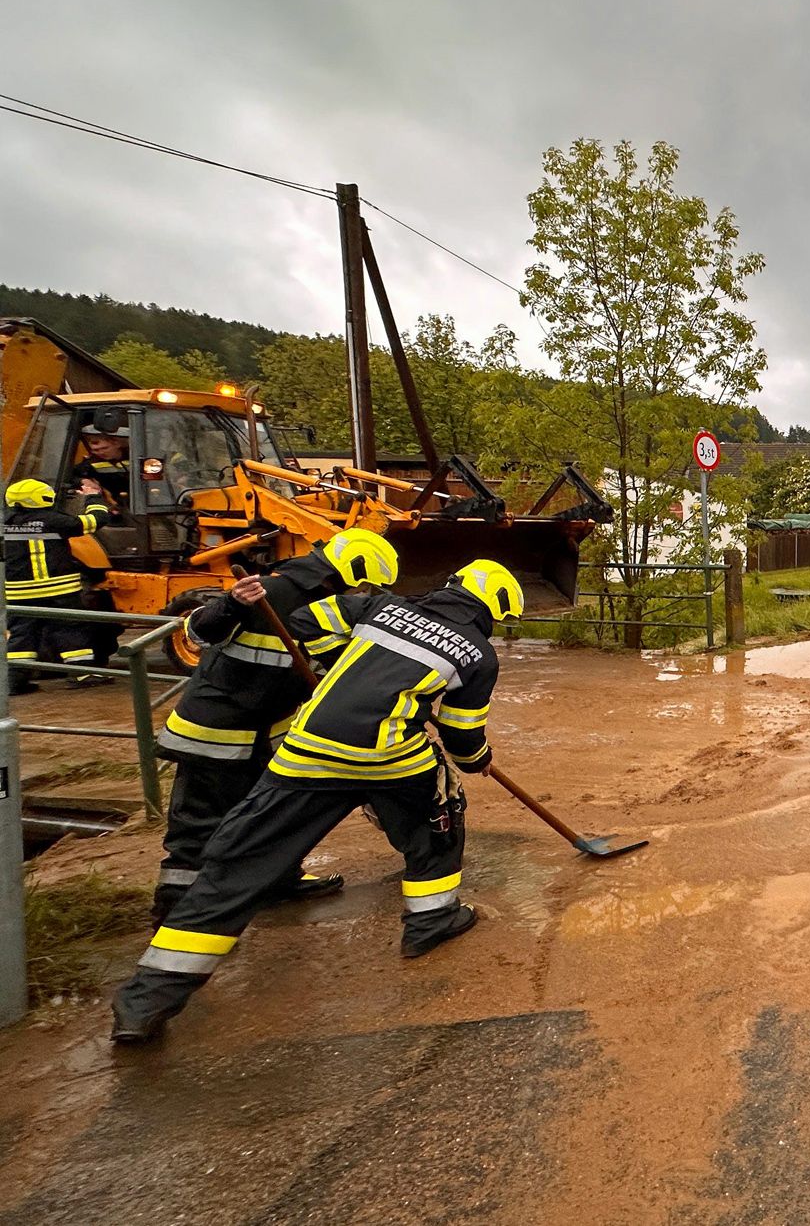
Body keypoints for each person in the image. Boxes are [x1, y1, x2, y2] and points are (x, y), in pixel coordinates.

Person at [110, 559, 524, 1045]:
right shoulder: (477, 654)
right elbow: (460, 733)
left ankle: (145, 1000)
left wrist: (347, 663)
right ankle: (432, 921)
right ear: (492, 608)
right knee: (438, 819)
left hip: (307, 751)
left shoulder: (377, 607)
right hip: (390, 759)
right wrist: (477, 761)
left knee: (240, 863)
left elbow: (303, 622)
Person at [148, 529, 400, 925]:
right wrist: (230, 604)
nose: (364, 592)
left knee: (274, 815)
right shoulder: (263, 592)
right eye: (363, 584)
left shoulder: (327, 609)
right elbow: (196, 632)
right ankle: (178, 909)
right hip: (212, 736)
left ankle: (278, 881)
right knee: (198, 824)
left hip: (267, 735)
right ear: (347, 573)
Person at [4, 479, 103, 694]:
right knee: (70, 630)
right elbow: (96, 520)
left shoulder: (5, 522)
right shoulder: (54, 520)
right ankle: (82, 674)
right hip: (60, 590)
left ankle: (15, 682)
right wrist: (93, 497)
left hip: (19, 593)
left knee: (21, 637)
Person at [70, 417, 132, 523]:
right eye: (95, 450)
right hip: (117, 506)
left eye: (104, 448)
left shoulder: (134, 458)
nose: (100, 453)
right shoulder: (92, 463)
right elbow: (69, 476)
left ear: (117, 444)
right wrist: (82, 481)